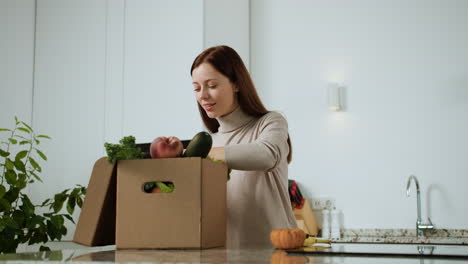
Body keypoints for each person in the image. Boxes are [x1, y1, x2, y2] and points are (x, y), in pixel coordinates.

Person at [190, 45, 297, 249]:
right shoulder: (210, 141)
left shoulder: (270, 123)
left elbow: (267, 155)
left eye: (211, 85)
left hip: (276, 254)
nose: (202, 96)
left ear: (237, 84)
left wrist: (198, 155)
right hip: (224, 255)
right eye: (196, 88)